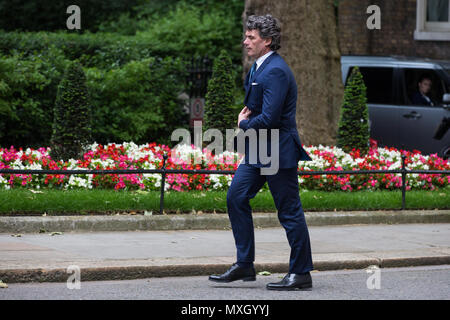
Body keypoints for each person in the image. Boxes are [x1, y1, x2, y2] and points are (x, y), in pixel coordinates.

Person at [208, 14, 314, 291]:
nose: (245, 42)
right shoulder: (259, 67)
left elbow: (270, 117)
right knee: (236, 197)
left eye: (251, 37)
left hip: (278, 149)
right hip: (258, 149)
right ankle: (245, 264)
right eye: (246, 36)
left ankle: (301, 272)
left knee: (289, 212)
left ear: (267, 41)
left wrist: (243, 124)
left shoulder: (276, 70)